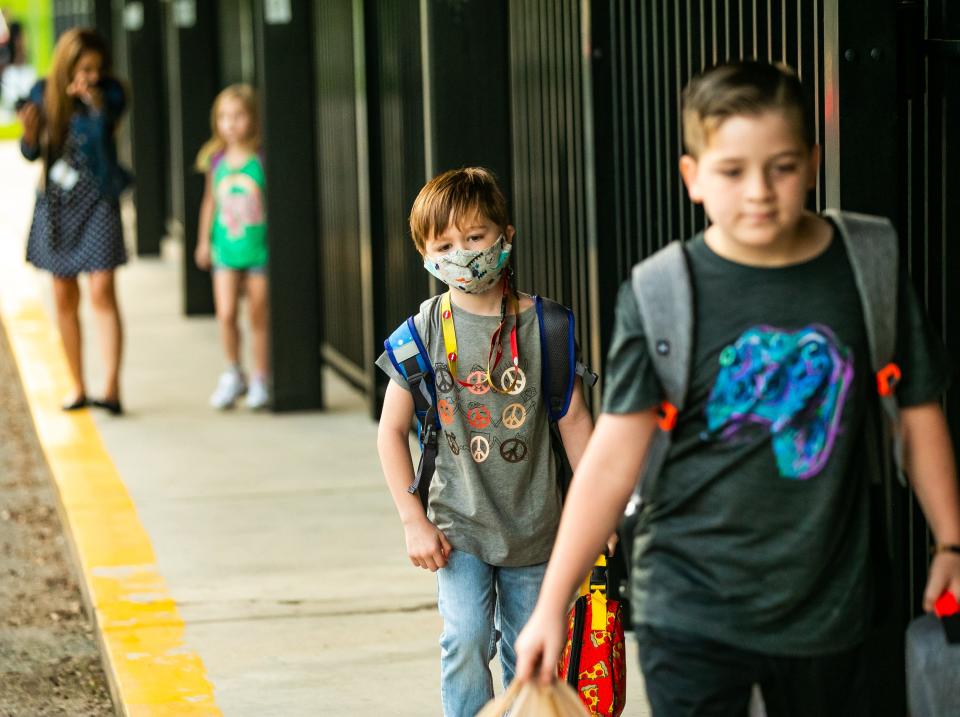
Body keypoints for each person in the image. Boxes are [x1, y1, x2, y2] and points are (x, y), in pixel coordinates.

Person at [514, 61, 960, 715]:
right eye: (732, 171)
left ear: (811, 162)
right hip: (691, 607)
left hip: (837, 608)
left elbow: (917, 413)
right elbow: (611, 462)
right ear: (692, 176)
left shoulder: (867, 265)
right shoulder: (661, 291)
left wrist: (951, 540)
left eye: (781, 166)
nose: (759, 191)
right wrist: (553, 604)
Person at [375, 167, 594, 716]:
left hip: (538, 526)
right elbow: (391, 431)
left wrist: (599, 516)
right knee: (464, 641)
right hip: (458, 526)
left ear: (506, 236)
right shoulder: (422, 331)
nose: (463, 253)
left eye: (476, 237)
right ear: (424, 254)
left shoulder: (549, 327)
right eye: (445, 244)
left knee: (533, 657)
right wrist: (412, 519)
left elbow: (574, 424)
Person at [19, 28, 131, 415]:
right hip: (57, 201)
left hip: (97, 196)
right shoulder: (42, 92)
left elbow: (104, 148)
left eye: (98, 68)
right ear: (67, 64)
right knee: (64, 294)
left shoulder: (112, 94)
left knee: (102, 288)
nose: (92, 75)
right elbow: (32, 153)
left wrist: (95, 107)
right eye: (85, 68)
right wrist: (30, 135)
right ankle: (77, 385)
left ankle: (112, 387)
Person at [194, 84, 270, 410]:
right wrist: (202, 242)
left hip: (258, 251)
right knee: (225, 314)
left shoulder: (261, 160)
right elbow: (209, 202)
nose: (231, 123)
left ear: (252, 119)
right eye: (224, 116)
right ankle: (233, 371)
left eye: (238, 116)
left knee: (257, 315)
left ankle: (260, 377)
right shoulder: (217, 161)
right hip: (225, 250)